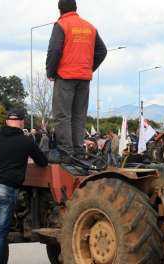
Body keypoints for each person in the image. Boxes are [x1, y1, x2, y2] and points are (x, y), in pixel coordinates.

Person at [0, 109, 48, 264]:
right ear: (22, 122)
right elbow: (42, 161)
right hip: (5, 188)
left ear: (6, 121)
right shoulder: (26, 141)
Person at [46, 0, 107, 163]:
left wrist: (50, 72)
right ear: (76, 8)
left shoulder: (61, 25)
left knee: (62, 115)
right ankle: (79, 151)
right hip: (84, 79)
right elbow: (102, 51)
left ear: (60, 10)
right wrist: (88, 68)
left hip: (65, 77)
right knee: (79, 115)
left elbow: (54, 50)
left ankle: (67, 153)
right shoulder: (89, 27)